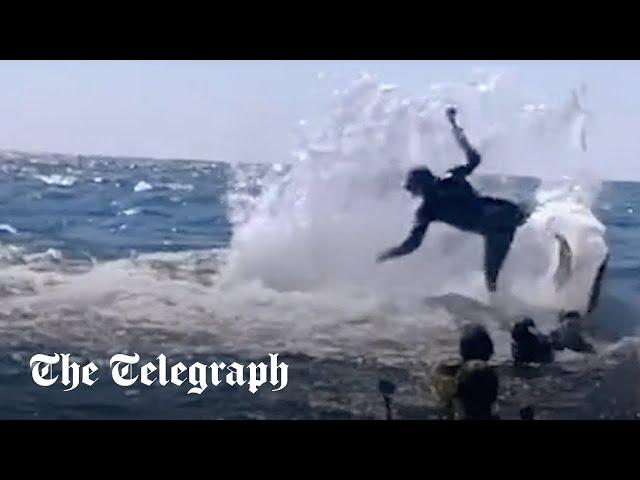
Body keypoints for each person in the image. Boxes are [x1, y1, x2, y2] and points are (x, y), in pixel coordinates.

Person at [376, 107, 528, 292]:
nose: (413, 192)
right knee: (491, 279)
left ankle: (547, 231)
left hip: (501, 216)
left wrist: (456, 128)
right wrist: (389, 254)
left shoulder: (444, 187)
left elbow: (474, 159)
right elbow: (412, 244)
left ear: (421, 184)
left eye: (413, 188)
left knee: (491, 276)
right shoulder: (428, 209)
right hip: (496, 228)